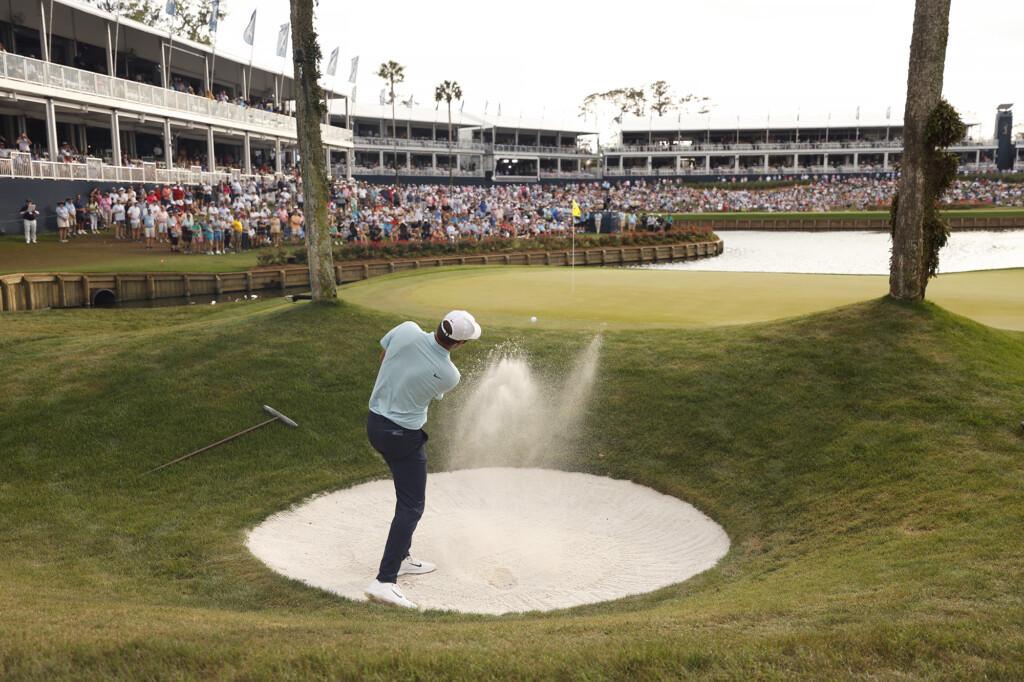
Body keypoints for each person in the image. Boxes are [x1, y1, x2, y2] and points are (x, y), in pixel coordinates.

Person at [363, 310, 482, 609]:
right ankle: (385, 580)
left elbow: (384, 357)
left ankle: (402, 558)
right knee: (411, 506)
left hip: (375, 425)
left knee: (406, 499)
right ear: (459, 344)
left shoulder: (405, 329)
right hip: (404, 437)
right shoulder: (449, 375)